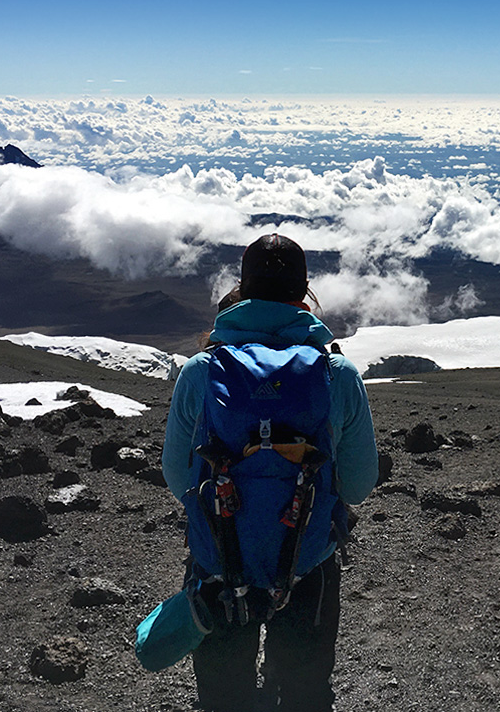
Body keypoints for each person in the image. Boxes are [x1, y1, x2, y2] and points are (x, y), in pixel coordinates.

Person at [163, 234, 378, 712]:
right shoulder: (337, 373)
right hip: (306, 560)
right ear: (304, 294)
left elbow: (178, 478)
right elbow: (360, 485)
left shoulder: (200, 371)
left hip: (218, 561)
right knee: (305, 694)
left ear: (243, 288)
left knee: (223, 697)